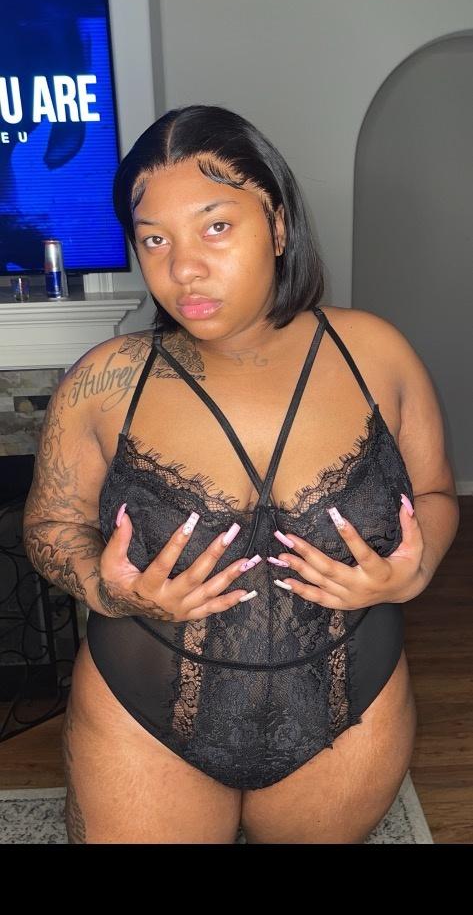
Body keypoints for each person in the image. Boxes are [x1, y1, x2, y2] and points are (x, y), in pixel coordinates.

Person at [23, 104, 459, 844]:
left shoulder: (377, 353)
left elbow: (438, 493)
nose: (183, 267)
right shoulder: (102, 382)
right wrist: (104, 586)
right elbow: (48, 525)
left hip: (350, 716)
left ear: (278, 226)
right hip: (142, 720)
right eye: (154, 239)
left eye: (216, 226)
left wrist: (412, 573)